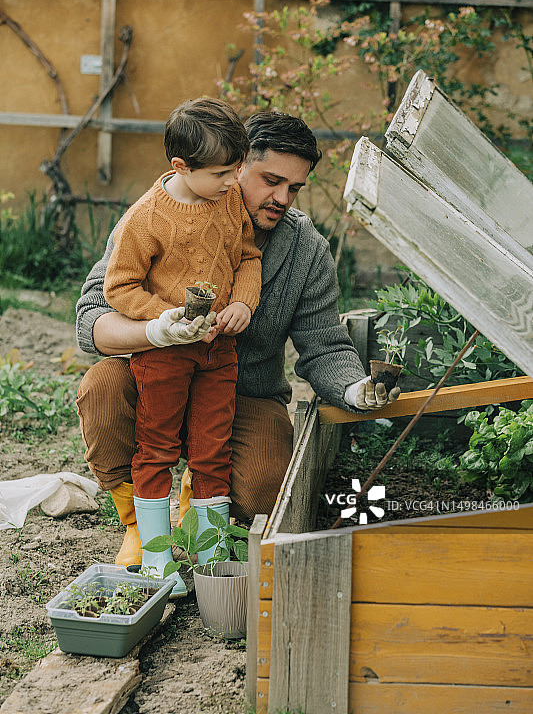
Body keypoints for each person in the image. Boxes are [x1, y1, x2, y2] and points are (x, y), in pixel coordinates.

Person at [76, 111, 400, 569]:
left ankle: (198, 499)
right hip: (155, 377)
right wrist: (156, 331)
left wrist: (353, 389)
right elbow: (92, 314)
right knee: (101, 388)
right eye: (271, 180)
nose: (282, 198)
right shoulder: (154, 214)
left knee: (269, 489)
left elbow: (324, 342)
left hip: (243, 393)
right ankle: (138, 527)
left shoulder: (304, 249)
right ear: (237, 163)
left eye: (295, 188)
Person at [100, 98, 261, 594]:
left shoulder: (229, 200)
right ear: (180, 167)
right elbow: (119, 287)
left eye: (237, 170)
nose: (233, 182)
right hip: (164, 353)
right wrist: (161, 318)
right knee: (157, 446)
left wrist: (243, 304)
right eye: (220, 173)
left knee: (212, 449)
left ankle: (209, 558)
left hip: (218, 351)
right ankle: (156, 558)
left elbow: (248, 257)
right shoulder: (145, 218)